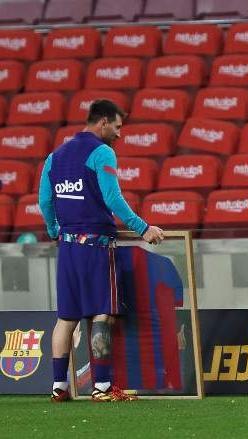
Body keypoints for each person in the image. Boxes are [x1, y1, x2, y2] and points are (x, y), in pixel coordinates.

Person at [39, 100, 165, 402]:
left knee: (66, 318)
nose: (119, 134)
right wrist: (142, 228)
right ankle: (103, 388)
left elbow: (45, 200)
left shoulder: (55, 156)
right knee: (102, 314)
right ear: (103, 122)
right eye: (117, 127)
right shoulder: (102, 152)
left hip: (67, 246)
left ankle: (59, 387)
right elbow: (112, 197)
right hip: (96, 246)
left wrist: (54, 230)